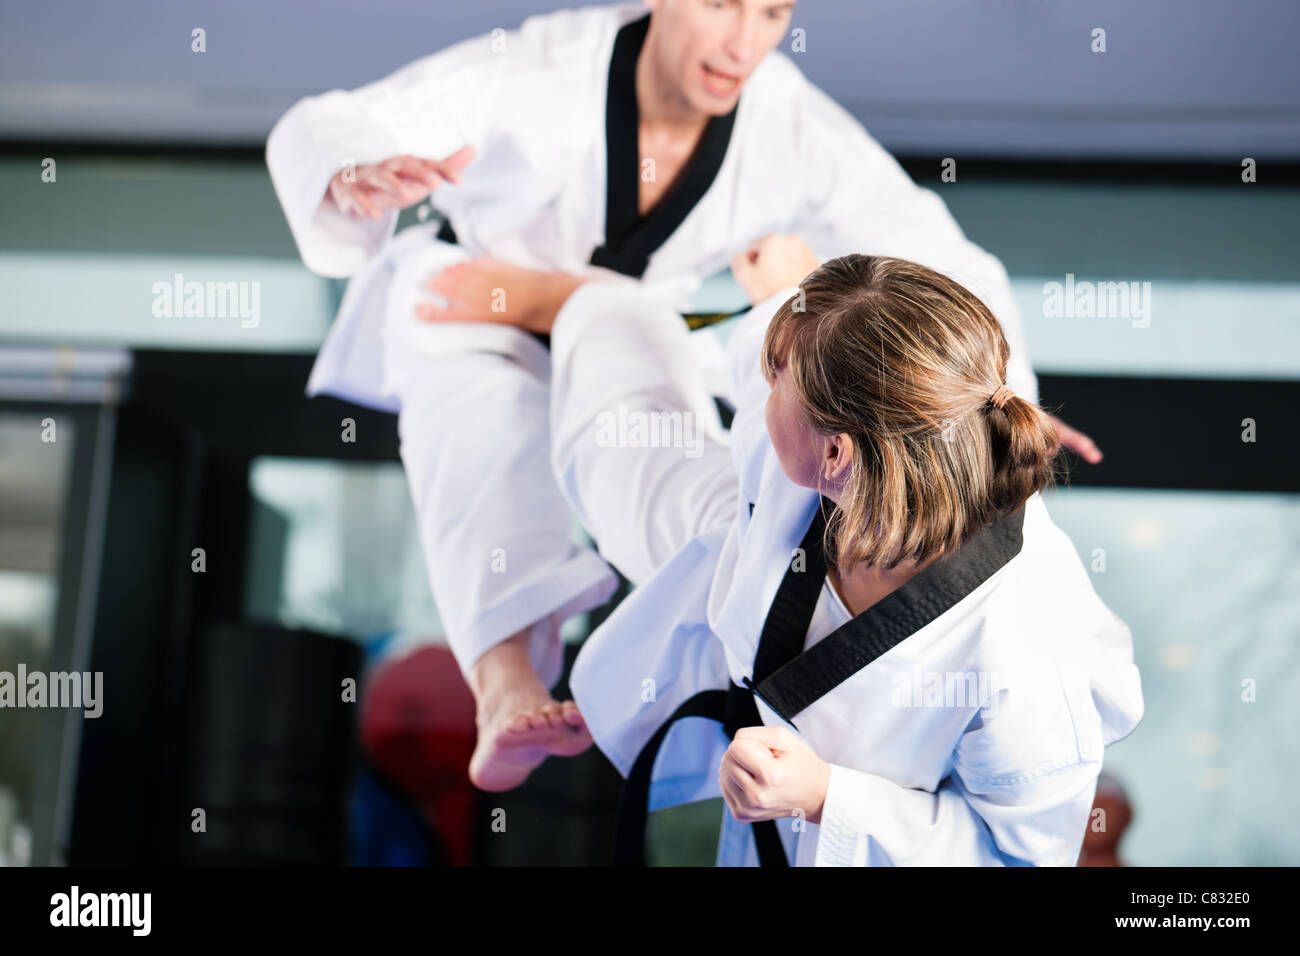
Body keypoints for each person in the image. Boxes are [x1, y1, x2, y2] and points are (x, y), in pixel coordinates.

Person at [265, 0, 1102, 792]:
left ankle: (675, 675)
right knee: (479, 428)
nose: (744, 43)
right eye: (721, 6)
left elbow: (924, 241)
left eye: (773, 13)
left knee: (710, 497)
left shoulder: (789, 121)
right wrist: (349, 174)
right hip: (479, 302)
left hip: (634, 326)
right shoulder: (541, 68)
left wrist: (985, 395)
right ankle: (504, 681)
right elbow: (334, 122)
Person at [485, 232, 1141, 865]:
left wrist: (830, 797)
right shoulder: (850, 430)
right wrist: (789, 292)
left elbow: (1017, 861)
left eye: (776, 383)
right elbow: (788, 348)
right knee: (619, 434)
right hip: (740, 548)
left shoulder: (1026, 647)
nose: (764, 389)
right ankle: (585, 305)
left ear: (835, 454)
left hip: (823, 826)